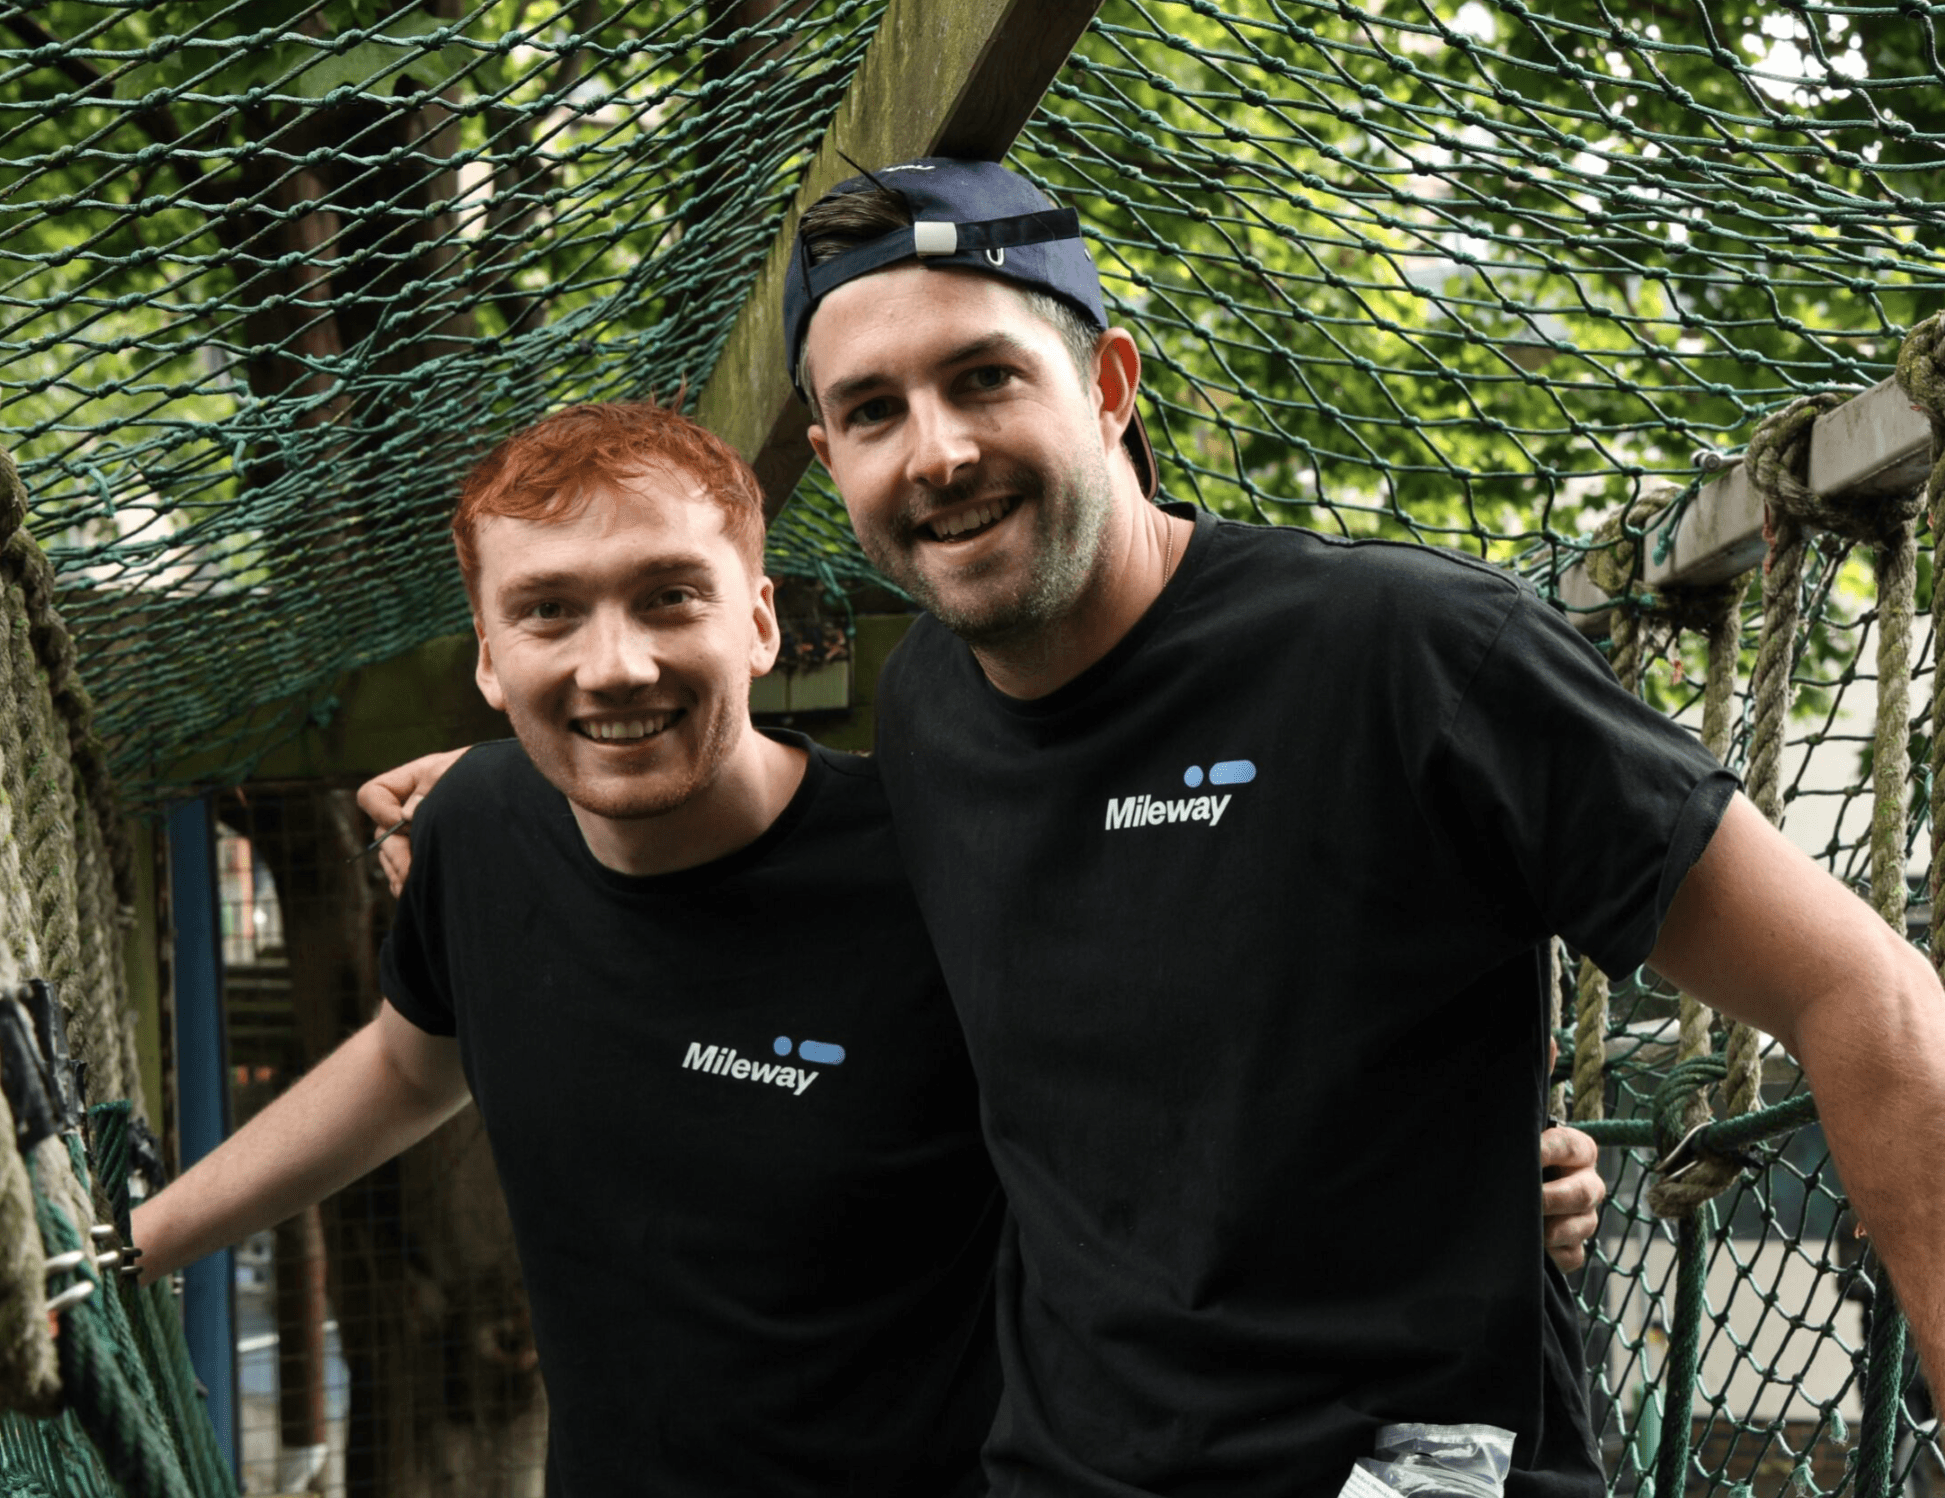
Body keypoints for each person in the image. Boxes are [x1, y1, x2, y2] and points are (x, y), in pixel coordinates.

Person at [778, 157, 1945, 1496]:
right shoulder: (923, 706)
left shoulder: (1403, 651)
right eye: (874, 410)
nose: (936, 449)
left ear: (1106, 386)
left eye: (983, 376)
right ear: (828, 457)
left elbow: (1859, 986)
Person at [131, 403, 1005, 1495]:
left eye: (670, 596)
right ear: (491, 660)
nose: (616, 666)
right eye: (550, 612)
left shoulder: (941, 869)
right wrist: (130, 1250)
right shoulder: (477, 826)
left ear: (762, 624)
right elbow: (411, 1062)